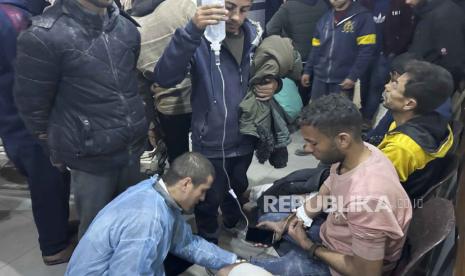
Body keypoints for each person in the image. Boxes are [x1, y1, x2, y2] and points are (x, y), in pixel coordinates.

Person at [14, 0, 147, 239]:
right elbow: (32, 104)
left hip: (131, 148)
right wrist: (55, 147)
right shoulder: (44, 35)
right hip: (90, 157)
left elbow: (130, 83)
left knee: (131, 228)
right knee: (96, 236)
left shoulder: (126, 29)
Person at [153, 0, 280, 243]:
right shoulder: (198, 39)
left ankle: (234, 222)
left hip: (245, 137)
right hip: (209, 140)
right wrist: (191, 31)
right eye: (230, 7)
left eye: (244, 9)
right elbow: (165, 77)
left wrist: (274, 83)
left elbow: (268, 69)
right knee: (209, 198)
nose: (236, 17)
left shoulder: (255, 36)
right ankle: (208, 241)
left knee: (238, 185)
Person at [251, 94, 412, 276]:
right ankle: (283, 250)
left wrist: (309, 246)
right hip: (335, 237)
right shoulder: (358, 154)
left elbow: (366, 273)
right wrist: (285, 223)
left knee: (249, 268)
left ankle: (282, 259)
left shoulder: (369, 198)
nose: (308, 149)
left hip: (352, 266)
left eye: (313, 143)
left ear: (343, 139)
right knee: (269, 221)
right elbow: (323, 196)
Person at [66, 153, 241, 275]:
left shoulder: (154, 189)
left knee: (186, 247)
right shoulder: (148, 220)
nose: (202, 198)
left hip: (114, 264)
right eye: (202, 190)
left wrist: (234, 261)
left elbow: (187, 243)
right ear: (186, 184)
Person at [0, 0, 76, 265]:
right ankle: (54, 246)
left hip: (13, 118)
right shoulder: (14, 19)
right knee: (47, 182)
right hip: (29, 123)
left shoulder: (12, 14)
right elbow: (36, 76)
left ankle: (59, 229)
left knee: (50, 181)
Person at [377, 60, 454, 200]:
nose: (387, 86)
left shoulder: (401, 148)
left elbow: (369, 189)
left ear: (409, 104)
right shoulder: (435, 122)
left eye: (395, 85)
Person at [135, 0, 196, 163]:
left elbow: (142, 89)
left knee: (178, 161)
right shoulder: (185, 6)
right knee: (207, 160)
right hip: (200, 98)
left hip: (168, 108)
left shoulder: (132, 26)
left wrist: (151, 123)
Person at [301, 0, 376, 100]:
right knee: (317, 113)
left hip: (343, 81)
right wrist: (307, 70)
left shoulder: (363, 17)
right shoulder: (324, 19)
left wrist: (353, 76)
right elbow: (315, 48)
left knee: (341, 114)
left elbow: (366, 51)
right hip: (320, 80)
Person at [358, 0, 415, 130]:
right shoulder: (365, 3)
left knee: (376, 85)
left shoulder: (400, 4)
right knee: (364, 82)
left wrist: (395, 49)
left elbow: (407, 28)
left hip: (385, 53)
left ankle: (367, 118)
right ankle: (363, 109)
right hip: (365, 51)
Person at [266, 0, 329, 105]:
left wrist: (285, 42)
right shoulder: (325, 4)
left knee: (299, 100)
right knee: (320, 102)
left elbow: (270, 29)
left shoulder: (288, 6)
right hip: (321, 60)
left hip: (299, 62)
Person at [406, 0, 465, 89]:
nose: (407, 1)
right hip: (417, 79)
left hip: (430, 87)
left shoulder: (446, 15)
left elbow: (453, 62)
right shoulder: (425, 10)